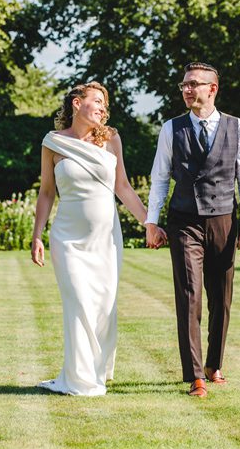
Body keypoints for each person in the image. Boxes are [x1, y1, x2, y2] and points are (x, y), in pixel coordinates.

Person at [143, 62, 240, 398]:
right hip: (184, 221)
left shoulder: (238, 128)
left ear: (213, 89)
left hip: (224, 218)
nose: (188, 90)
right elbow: (160, 177)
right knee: (190, 295)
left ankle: (214, 365)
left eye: (195, 84)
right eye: (184, 85)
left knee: (221, 298)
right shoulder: (172, 129)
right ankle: (195, 374)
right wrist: (153, 221)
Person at [29, 82, 152, 396]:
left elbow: (122, 187)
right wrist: (37, 235)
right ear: (75, 103)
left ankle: (94, 371)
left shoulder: (111, 139)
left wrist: (149, 223)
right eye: (96, 101)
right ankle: (80, 381)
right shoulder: (53, 142)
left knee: (103, 307)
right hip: (67, 238)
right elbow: (46, 192)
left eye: (104, 104)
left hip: (106, 240)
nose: (102, 108)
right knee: (79, 303)